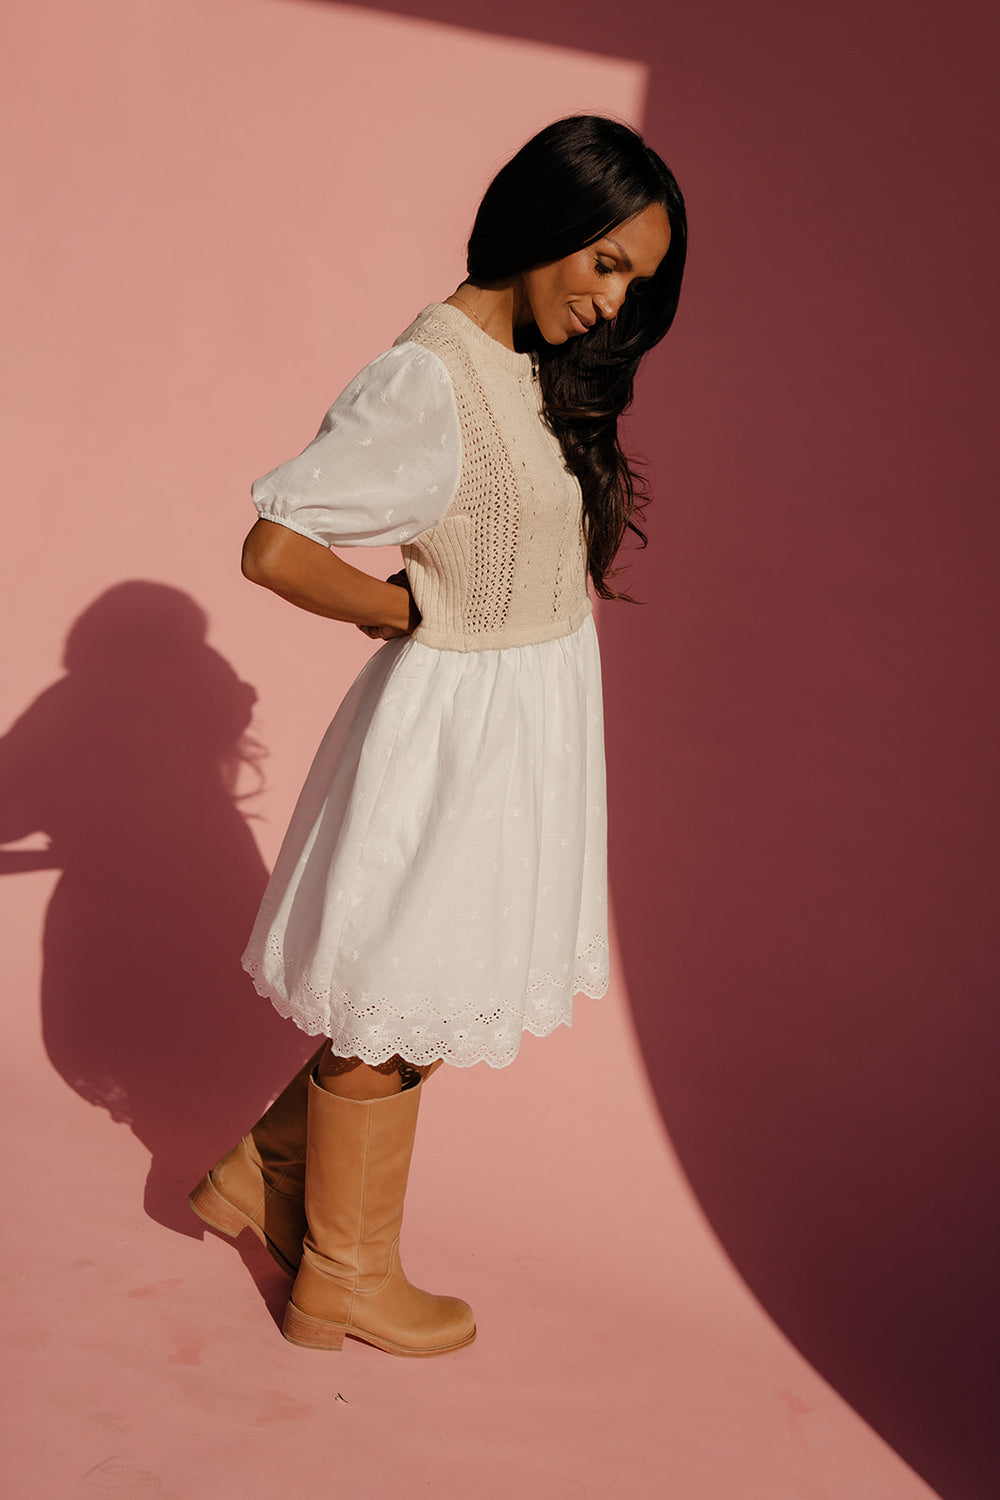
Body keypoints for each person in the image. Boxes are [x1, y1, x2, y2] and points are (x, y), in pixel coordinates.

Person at [189, 115, 687, 1357]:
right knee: (395, 1005)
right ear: (547, 221)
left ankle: (266, 1181)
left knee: (426, 993)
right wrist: (400, 607)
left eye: (638, 279)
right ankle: (343, 1279)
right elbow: (276, 545)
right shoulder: (432, 371)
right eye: (606, 262)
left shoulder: (519, 362)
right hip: (461, 730)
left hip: (525, 727)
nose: (612, 301)